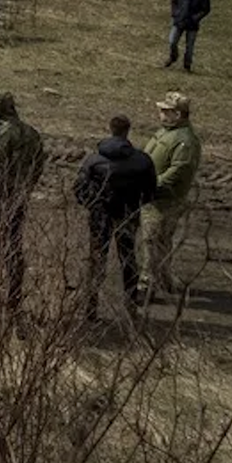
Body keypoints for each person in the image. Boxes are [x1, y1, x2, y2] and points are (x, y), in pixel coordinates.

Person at [0, 90, 46, 321]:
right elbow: (39, 165)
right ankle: (13, 301)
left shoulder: (0, 135)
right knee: (13, 247)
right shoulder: (32, 134)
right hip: (18, 198)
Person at [74, 115, 158, 320]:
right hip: (128, 214)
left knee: (96, 259)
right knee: (128, 260)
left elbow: (79, 188)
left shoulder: (94, 159)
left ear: (110, 130)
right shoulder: (142, 160)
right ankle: (130, 306)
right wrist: (136, 205)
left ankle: (90, 306)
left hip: (100, 215)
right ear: (127, 131)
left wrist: (93, 205)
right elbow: (151, 189)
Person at [138, 92, 203, 302]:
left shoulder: (185, 141)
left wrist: (152, 184)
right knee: (160, 241)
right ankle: (164, 280)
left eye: (166, 111)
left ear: (179, 114)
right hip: (154, 197)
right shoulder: (167, 133)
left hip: (165, 200)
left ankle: (147, 285)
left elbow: (179, 171)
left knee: (152, 240)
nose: (161, 114)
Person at [164, 0, 211, 71]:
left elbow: (206, 9)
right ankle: (173, 57)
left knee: (189, 46)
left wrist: (195, 18)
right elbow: (174, 1)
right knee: (172, 41)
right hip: (179, 21)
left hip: (192, 24)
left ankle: (187, 65)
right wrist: (175, 13)